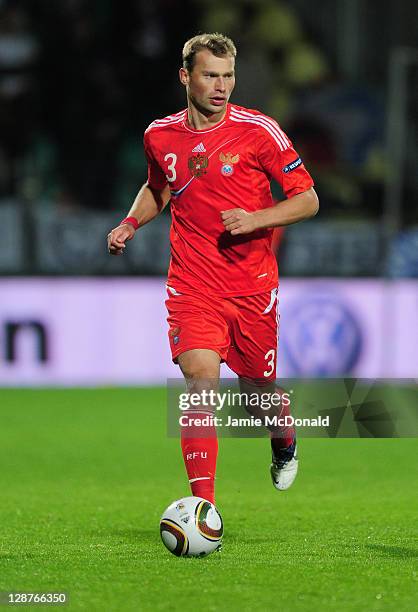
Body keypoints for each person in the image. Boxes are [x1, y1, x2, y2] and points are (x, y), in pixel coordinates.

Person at [107, 33, 319, 505]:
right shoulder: (159, 135)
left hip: (251, 286)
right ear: (186, 76)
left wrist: (255, 219)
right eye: (210, 76)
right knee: (200, 385)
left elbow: (308, 199)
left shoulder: (259, 131)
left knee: (256, 392)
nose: (221, 87)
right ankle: (203, 509)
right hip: (193, 283)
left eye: (228, 76)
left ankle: (283, 435)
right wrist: (129, 222)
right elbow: (159, 187)